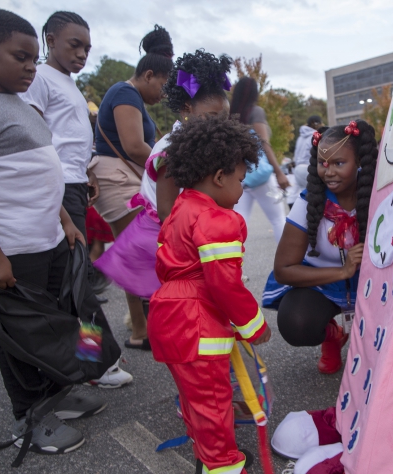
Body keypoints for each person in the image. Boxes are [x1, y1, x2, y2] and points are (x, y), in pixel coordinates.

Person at [0, 8, 105, 454]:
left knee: (64, 320)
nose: (31, 68)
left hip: (49, 237)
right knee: (21, 335)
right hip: (9, 248)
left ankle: (60, 392)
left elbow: (40, 172)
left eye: (34, 59)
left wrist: (64, 220)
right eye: (21, 57)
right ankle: (30, 418)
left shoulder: (21, 105)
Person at [148, 115, 271, 473]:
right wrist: (254, 325)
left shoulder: (180, 210)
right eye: (240, 179)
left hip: (169, 318)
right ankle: (223, 466)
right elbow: (224, 284)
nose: (242, 188)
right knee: (215, 402)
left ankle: (206, 453)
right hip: (196, 324)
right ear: (219, 177)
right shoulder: (218, 220)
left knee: (195, 398)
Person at [20, 11, 131, 388]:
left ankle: (90, 364)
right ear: (49, 40)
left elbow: (68, 138)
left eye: (87, 48)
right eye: (74, 45)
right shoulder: (38, 79)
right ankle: (96, 363)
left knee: (76, 282)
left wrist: (87, 173)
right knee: (76, 283)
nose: (82, 54)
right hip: (57, 190)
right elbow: (33, 138)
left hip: (73, 186)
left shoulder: (67, 83)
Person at [94, 49, 232, 347]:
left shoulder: (206, 140)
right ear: (186, 108)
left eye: (223, 118)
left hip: (193, 231)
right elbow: (170, 211)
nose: (216, 124)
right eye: (210, 117)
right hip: (174, 236)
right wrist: (197, 247)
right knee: (185, 300)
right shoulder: (173, 149)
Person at [262, 120, 378, 374]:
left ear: (359, 161)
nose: (329, 172)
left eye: (339, 163)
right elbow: (284, 269)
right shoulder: (309, 202)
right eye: (323, 164)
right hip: (323, 283)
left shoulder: (380, 193)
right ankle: (332, 337)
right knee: (297, 323)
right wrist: (342, 271)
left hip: (372, 283)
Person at [89, 24, 173, 349]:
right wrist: (172, 164)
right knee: (138, 254)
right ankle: (141, 330)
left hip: (120, 178)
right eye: (163, 87)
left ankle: (142, 328)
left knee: (137, 253)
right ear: (149, 74)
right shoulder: (125, 93)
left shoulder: (129, 95)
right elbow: (134, 146)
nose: (163, 95)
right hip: (116, 178)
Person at [230, 76, 289, 243]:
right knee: (278, 220)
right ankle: (287, 263)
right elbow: (264, 144)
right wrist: (279, 173)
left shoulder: (230, 115)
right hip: (261, 174)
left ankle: (232, 261)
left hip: (239, 177)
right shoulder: (255, 112)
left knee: (238, 223)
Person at [293, 115, 323, 191]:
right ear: (317, 124)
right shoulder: (316, 136)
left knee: (304, 195)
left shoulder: (300, 137)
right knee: (317, 193)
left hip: (297, 169)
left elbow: (296, 154)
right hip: (309, 168)